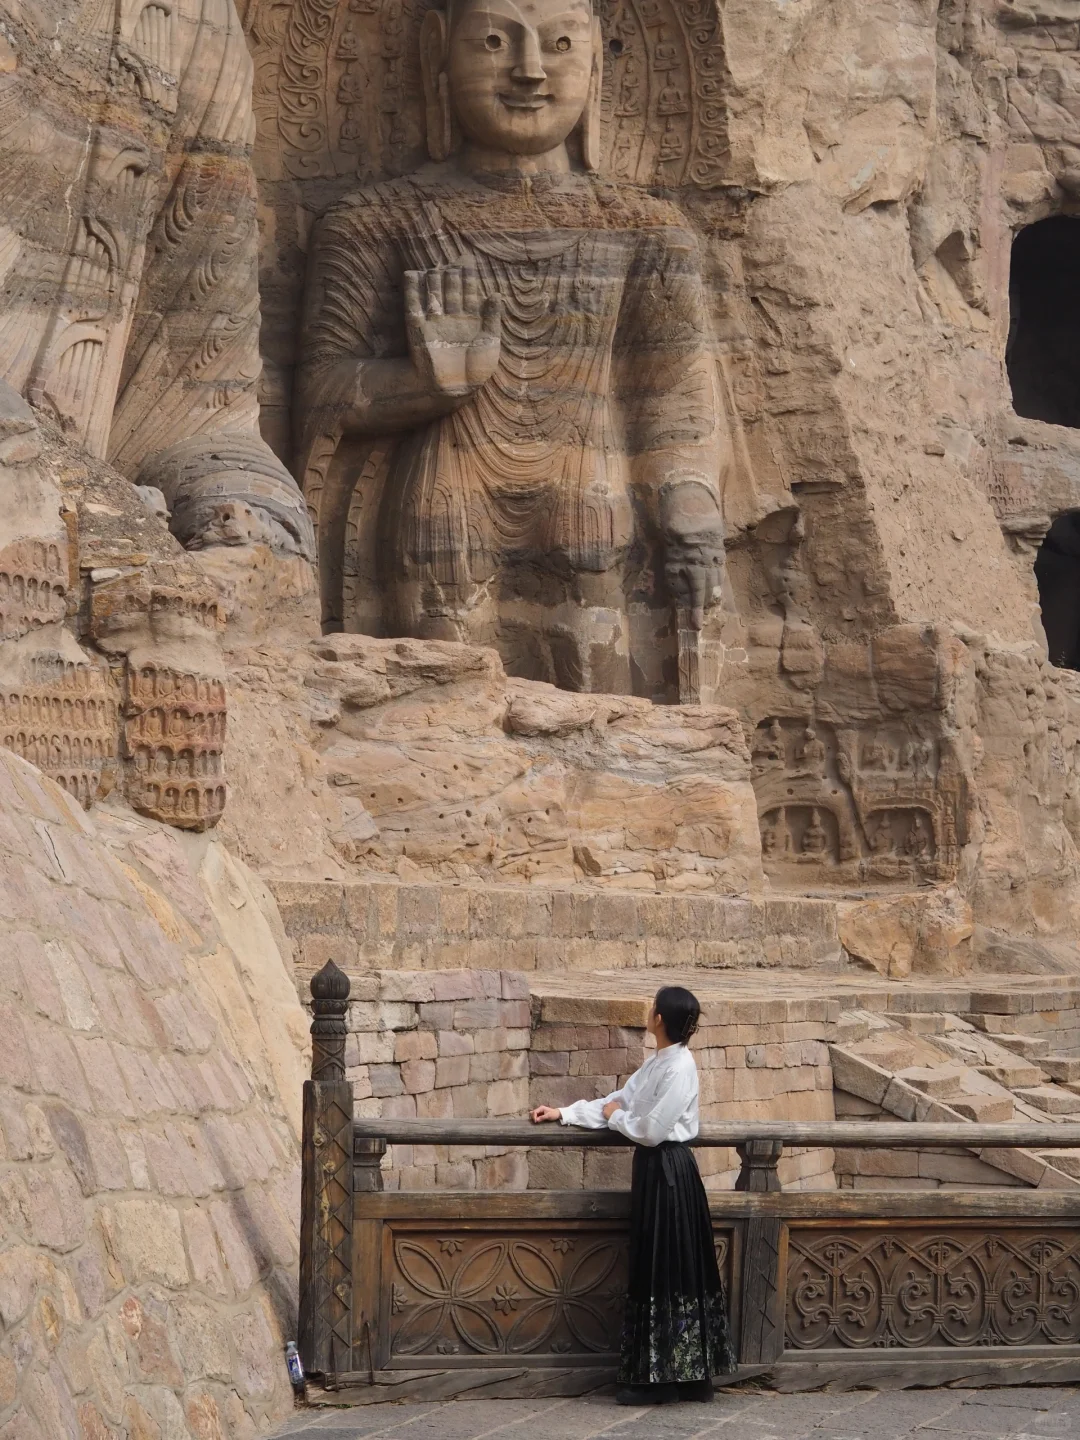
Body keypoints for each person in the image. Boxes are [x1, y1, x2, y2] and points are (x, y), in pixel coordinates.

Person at [531, 985, 736, 1404]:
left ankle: (668, 1383)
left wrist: (617, 1117)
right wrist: (565, 1113)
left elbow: (651, 1129)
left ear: (659, 1019)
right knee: (658, 1266)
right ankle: (678, 1379)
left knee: (669, 1268)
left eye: (653, 1007)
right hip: (654, 1172)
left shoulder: (680, 1067)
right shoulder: (657, 1062)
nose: (649, 1012)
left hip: (671, 1172)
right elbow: (618, 1101)